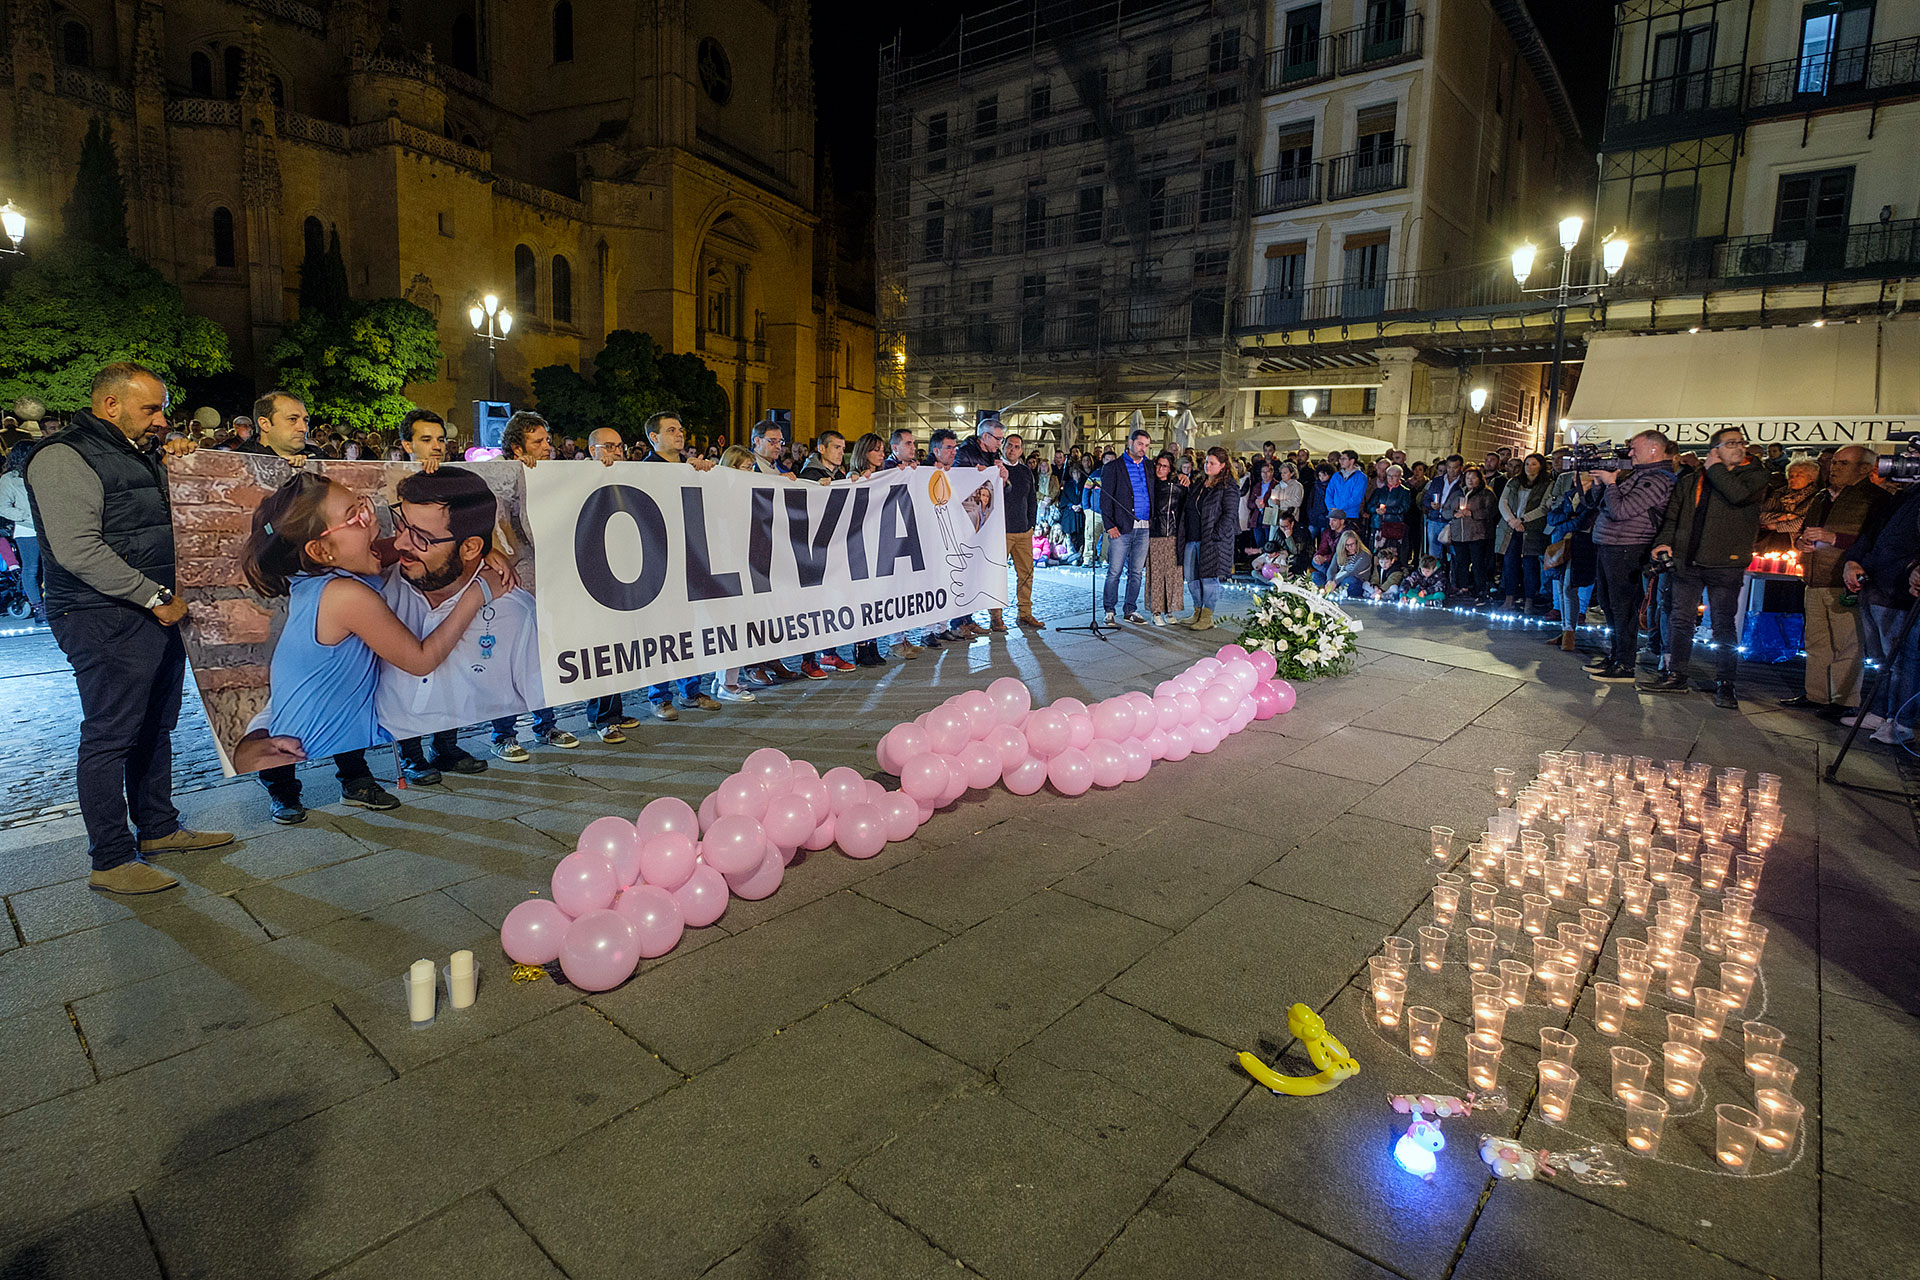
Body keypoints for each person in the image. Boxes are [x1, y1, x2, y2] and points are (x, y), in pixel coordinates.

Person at [23, 363, 233, 894]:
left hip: (154, 610)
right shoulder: (62, 456)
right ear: (110, 406)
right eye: (151, 409)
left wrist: (180, 461)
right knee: (110, 734)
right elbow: (77, 549)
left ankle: (158, 829)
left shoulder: (137, 451)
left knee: (154, 725)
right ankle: (111, 859)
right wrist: (154, 596)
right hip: (103, 614)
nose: (161, 419)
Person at [236, 472, 505, 772]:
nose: (373, 520)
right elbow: (420, 660)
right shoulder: (346, 595)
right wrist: (478, 592)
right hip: (321, 747)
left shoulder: (316, 574)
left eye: (363, 506)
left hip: (309, 739)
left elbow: (396, 549)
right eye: (356, 517)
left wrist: (472, 547)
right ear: (321, 551)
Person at [377, 467, 543, 745]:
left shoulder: (515, 613)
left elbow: (540, 693)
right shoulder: (379, 583)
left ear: (470, 548)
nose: (400, 542)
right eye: (401, 523)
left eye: (420, 536)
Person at [392, 407, 493, 782]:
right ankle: (412, 753)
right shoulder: (388, 481)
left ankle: (446, 744)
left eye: (440, 440)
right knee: (411, 671)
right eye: (425, 440)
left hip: (449, 590)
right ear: (406, 445)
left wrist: (488, 549)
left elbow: (478, 525)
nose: (435, 447)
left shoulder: (457, 482)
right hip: (407, 590)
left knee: (451, 665)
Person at [1642, 427, 1769, 705]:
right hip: (1688, 560)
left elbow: (1736, 495)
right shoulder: (1691, 480)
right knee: (1680, 620)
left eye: (1741, 443)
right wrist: (1663, 542)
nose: (1739, 447)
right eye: (1731, 443)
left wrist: (1715, 469)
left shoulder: (1755, 476)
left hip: (1726, 563)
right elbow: (1673, 516)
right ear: (1715, 449)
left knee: (1723, 625)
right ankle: (1676, 675)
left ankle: (1726, 682)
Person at [486, 411, 581, 757]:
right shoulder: (499, 477)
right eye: (537, 441)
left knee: (542, 655)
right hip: (513, 576)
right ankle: (503, 733)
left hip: (547, 576)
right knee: (509, 656)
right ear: (516, 447)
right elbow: (502, 525)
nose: (547, 447)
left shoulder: (553, 474)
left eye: (547, 439)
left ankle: (546, 723)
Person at [1785, 445, 1889, 719]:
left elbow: (1876, 542)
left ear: (1865, 468)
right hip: (1815, 577)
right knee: (1817, 641)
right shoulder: (1821, 497)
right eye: (1833, 463)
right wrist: (1801, 542)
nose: (1834, 468)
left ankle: (1843, 700)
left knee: (1848, 644)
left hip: (1844, 580)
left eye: (1843, 463)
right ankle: (1816, 694)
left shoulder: (1875, 499)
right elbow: (1806, 528)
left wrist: (1835, 539)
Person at [1586, 431, 1678, 683]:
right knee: (1608, 604)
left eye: (1634, 449)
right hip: (1611, 546)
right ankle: (1616, 657)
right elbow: (1599, 505)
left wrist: (1612, 484)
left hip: (1628, 549)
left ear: (1653, 450)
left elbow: (1621, 510)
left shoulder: (1658, 479)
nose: (1629, 453)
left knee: (1623, 608)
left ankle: (1625, 664)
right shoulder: (1640, 475)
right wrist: (1599, 484)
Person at [1842, 482, 1920, 744]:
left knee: (1902, 661)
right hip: (1876, 583)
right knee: (1879, 656)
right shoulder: (1902, 497)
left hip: (1902, 590)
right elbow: (1873, 534)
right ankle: (1877, 712)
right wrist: (1853, 560)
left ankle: (1901, 722)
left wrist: (1912, 569)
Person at [1099, 428, 1155, 625]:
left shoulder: (1149, 466)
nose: (1143, 449)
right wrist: (1109, 525)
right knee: (1114, 571)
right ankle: (1110, 609)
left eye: (1147, 445)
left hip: (1144, 526)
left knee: (1136, 572)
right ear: (1130, 443)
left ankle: (1130, 609)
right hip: (1121, 527)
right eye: (1140, 444)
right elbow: (1105, 498)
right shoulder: (1114, 467)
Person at [1542, 468, 1601, 653]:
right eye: (1578, 483)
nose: (1580, 486)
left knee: (1569, 587)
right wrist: (1568, 518)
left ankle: (1570, 632)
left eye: (1585, 483)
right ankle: (1564, 629)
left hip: (1581, 546)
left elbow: (1581, 522)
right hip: (1562, 544)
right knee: (1560, 588)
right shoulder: (1569, 496)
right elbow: (1551, 517)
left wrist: (1566, 521)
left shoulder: (1593, 500)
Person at [1188, 447, 1237, 631]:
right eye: (1207, 462)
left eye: (1212, 463)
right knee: (1192, 577)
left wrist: (1216, 534)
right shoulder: (1200, 483)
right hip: (1193, 536)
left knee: (1209, 578)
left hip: (1212, 540)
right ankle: (1197, 611)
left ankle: (1207, 616)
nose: (1207, 465)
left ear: (1223, 466)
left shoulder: (1228, 487)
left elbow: (1229, 514)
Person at [1496, 453, 1553, 612]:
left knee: (1530, 566)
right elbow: (1503, 502)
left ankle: (1529, 601)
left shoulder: (1547, 484)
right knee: (1509, 564)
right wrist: (1511, 520)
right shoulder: (1514, 482)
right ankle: (1509, 599)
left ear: (1540, 466)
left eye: (1534, 464)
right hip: (1511, 528)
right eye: (1527, 464)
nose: (1529, 467)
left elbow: (1543, 507)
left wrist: (1522, 519)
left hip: (1531, 529)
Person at [1001, 432, 1043, 630]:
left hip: (1023, 531)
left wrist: (1031, 524)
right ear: (1003, 446)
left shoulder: (1026, 471)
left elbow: (1031, 500)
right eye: (1010, 445)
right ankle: (996, 616)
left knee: (1026, 574)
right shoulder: (995, 469)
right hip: (1001, 531)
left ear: (1021, 450)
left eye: (1017, 447)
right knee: (997, 575)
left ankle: (1025, 613)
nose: (1013, 450)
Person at [1, 439, 42, 621]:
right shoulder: (9, 479)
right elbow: (3, 506)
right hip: (26, 530)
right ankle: (38, 607)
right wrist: (25, 515)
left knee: (53, 568)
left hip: (47, 528)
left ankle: (53, 602)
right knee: (31, 569)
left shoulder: (40, 474)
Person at [1145, 451, 1188, 625]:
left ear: (1170, 469)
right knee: (1156, 574)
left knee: (1172, 574)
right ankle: (1156, 611)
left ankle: (1170, 609)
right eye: (1158, 464)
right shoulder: (1149, 484)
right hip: (1154, 533)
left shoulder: (1177, 485)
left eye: (1164, 466)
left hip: (1173, 534)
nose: (1160, 469)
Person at [1446, 467, 1497, 599]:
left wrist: (1472, 513)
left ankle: (1480, 588)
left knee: (1478, 562)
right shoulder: (1457, 493)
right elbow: (1445, 509)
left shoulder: (1486, 493)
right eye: (1468, 478)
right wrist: (1453, 514)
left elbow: (1490, 511)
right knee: (1461, 562)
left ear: (1480, 479)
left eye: (1473, 477)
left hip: (1477, 534)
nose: (1470, 480)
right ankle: (1463, 587)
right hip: (1459, 534)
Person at [1756, 457, 1820, 555]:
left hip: (1796, 546)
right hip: (1770, 543)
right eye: (1790, 475)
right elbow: (1762, 517)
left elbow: (1803, 523)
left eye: (1799, 475)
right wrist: (1786, 517)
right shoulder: (1778, 493)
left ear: (1811, 478)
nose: (1793, 479)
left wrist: (1775, 526)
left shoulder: (1817, 497)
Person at [1423, 455, 1465, 570]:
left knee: (1453, 553)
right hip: (1435, 519)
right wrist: (1431, 504)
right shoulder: (1437, 481)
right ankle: (1436, 577)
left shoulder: (1463, 483)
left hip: (1452, 521)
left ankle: (1452, 578)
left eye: (1455, 467)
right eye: (1449, 467)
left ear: (1461, 467)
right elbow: (1426, 498)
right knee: (1434, 553)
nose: (1452, 470)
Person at [1370, 464, 1412, 560]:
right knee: (1376, 553)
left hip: (1394, 526)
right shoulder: (1379, 491)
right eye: (1389, 475)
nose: (1391, 478)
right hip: (1378, 525)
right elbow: (1370, 506)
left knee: (1393, 554)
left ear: (1400, 476)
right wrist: (1376, 510)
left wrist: (1387, 510)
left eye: (1394, 476)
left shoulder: (1405, 492)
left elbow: (1404, 507)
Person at [1324, 451, 1369, 534]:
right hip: (1333, 515)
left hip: (1349, 515)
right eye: (1340, 459)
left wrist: (1338, 508)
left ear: (1352, 461)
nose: (1340, 461)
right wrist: (1331, 507)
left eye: (1344, 459)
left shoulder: (1361, 477)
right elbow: (1328, 493)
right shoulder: (1336, 475)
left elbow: (1356, 498)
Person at [1326, 527, 1374, 598]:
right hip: (1337, 579)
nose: (1350, 547)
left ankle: (1338, 592)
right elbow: (1332, 568)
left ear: (1357, 543)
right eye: (1347, 545)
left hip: (1355, 582)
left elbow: (1353, 572)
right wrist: (1329, 580)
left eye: (1352, 544)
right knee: (1316, 575)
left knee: (1350, 581)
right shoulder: (1339, 553)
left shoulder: (1364, 555)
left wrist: (1335, 582)